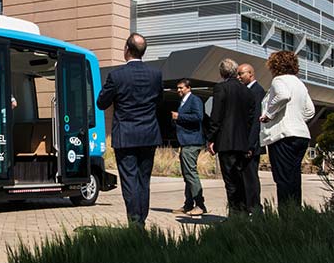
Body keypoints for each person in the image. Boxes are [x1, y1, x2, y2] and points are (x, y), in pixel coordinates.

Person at [97, 33, 163, 226]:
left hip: (126, 135)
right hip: (149, 134)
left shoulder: (117, 76)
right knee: (144, 180)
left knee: (130, 180)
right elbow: (159, 101)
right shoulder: (156, 75)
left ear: (126, 49)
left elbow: (101, 103)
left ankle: (135, 222)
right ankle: (141, 219)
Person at [259, 51, 315, 209]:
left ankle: (286, 217)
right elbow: (310, 110)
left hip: (283, 135)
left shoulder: (279, 80)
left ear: (274, 65)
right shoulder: (299, 83)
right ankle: (295, 213)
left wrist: (268, 114)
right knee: (294, 178)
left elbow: (283, 95)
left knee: (283, 179)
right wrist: (296, 119)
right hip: (301, 134)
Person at [206, 59, 256, 215]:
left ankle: (235, 214)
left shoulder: (221, 88)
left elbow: (216, 116)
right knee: (240, 179)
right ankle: (243, 210)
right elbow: (250, 119)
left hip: (226, 141)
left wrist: (211, 138)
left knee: (230, 181)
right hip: (242, 142)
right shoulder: (247, 91)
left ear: (222, 73)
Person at [170, 79, 206, 216]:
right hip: (185, 141)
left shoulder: (194, 100)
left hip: (192, 142)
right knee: (187, 175)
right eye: (177, 88)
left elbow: (198, 117)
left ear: (188, 88)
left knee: (191, 174)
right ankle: (188, 204)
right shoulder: (183, 101)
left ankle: (200, 204)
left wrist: (180, 116)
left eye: (181, 88)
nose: (179, 90)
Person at [237, 63, 265, 213]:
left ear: (251, 74)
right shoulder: (247, 91)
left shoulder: (256, 91)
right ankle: (247, 207)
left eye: (241, 74)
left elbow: (255, 120)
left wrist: (250, 145)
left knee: (251, 178)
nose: (239, 77)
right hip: (245, 142)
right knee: (245, 176)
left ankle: (255, 208)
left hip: (251, 143)